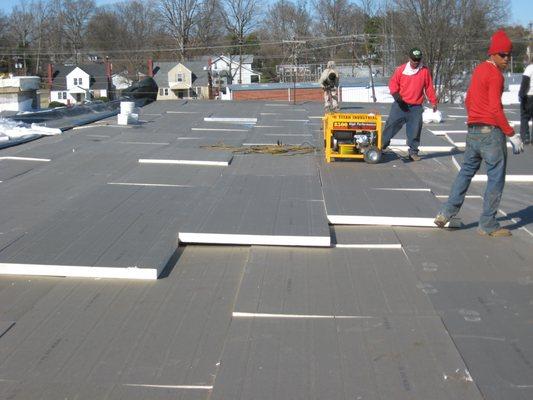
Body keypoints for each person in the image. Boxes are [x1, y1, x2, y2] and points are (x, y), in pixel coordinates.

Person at [434, 29, 524, 237]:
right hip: (491, 133)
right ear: (492, 53)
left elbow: (468, 100)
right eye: (503, 55)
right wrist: (511, 133)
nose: (506, 59)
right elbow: (495, 108)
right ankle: (488, 224)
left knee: (466, 172)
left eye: (509, 55)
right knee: (495, 178)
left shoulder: (479, 70)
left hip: (473, 131)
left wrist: (474, 117)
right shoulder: (495, 75)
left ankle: (446, 212)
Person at [382, 48, 438, 161]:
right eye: (413, 60)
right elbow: (393, 84)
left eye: (418, 60)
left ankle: (413, 152)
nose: (415, 62)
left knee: (415, 130)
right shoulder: (401, 70)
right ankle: (381, 146)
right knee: (390, 126)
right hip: (400, 105)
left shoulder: (424, 71)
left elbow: (428, 87)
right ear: (409, 59)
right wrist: (396, 96)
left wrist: (433, 101)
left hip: (416, 107)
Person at [519, 59, 533, 144]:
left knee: (524, 116)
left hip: (529, 95)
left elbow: (525, 82)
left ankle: (525, 137)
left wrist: (521, 94)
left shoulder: (530, 68)